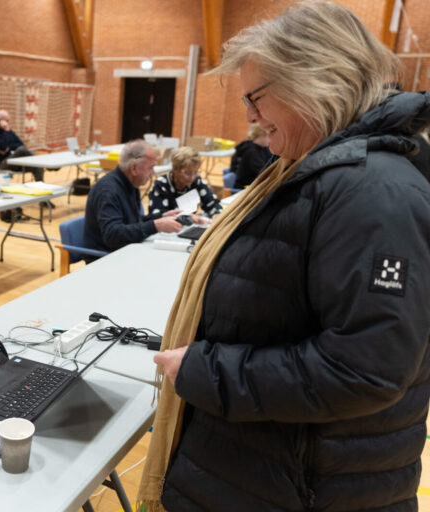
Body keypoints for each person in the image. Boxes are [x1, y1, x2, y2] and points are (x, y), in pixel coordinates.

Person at [138, 3, 430, 511]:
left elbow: (366, 370)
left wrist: (206, 370)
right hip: (261, 472)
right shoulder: (317, 173)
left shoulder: (371, 194)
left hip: (300, 487)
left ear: (313, 82)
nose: (248, 115)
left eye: (256, 97)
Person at [83, 140, 203, 261]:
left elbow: (134, 222)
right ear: (134, 168)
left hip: (125, 251)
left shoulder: (131, 184)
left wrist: (160, 217)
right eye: (150, 168)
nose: (153, 173)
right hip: (105, 259)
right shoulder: (108, 191)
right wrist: (156, 225)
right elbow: (112, 235)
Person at [148, 146, 222, 220]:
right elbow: (158, 217)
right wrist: (190, 218)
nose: (192, 177)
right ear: (175, 169)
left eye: (195, 172)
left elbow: (212, 204)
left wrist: (216, 215)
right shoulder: (161, 185)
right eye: (187, 173)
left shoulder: (196, 181)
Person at [0, 109, 44, 181]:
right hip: (4, 163)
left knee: (37, 166)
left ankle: (40, 186)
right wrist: (7, 132)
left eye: (8, 120)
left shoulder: (9, 132)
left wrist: (10, 146)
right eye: (6, 121)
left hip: (16, 161)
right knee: (21, 150)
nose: (8, 123)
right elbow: (3, 147)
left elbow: (20, 144)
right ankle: (43, 162)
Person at [230, 122, 273, 188]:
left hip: (254, 183)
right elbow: (263, 172)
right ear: (261, 135)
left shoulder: (264, 148)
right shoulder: (251, 152)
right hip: (245, 186)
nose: (270, 140)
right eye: (269, 137)